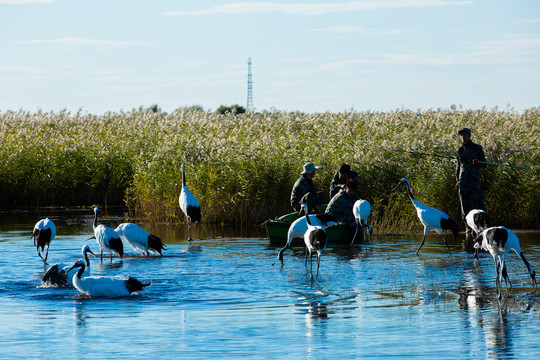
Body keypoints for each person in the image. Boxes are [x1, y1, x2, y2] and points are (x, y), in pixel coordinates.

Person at [455, 128, 486, 232]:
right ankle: (468, 228)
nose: (463, 137)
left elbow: (484, 164)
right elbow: (458, 167)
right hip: (463, 181)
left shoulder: (477, 148)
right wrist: (457, 180)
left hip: (474, 181)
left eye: (465, 135)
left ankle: (482, 227)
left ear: (470, 135)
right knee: (464, 206)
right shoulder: (460, 150)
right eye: (461, 135)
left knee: (478, 205)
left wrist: (478, 163)